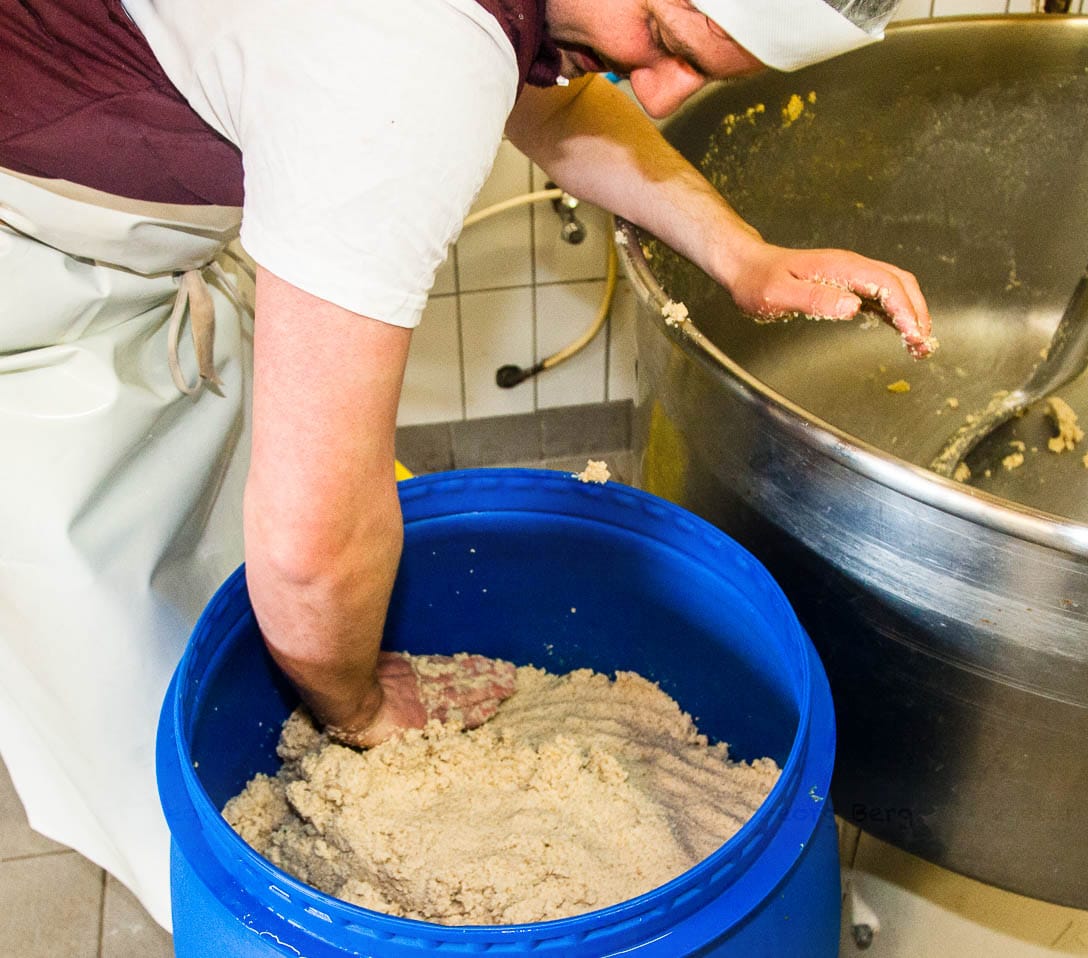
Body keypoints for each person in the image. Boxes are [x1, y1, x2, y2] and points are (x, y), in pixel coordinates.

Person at [0, 0, 933, 930]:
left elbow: (550, 97)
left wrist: (742, 255)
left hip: (121, 255)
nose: (656, 96)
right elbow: (307, 550)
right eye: (662, 40)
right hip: (35, 306)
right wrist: (363, 710)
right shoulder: (398, 56)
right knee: (135, 715)